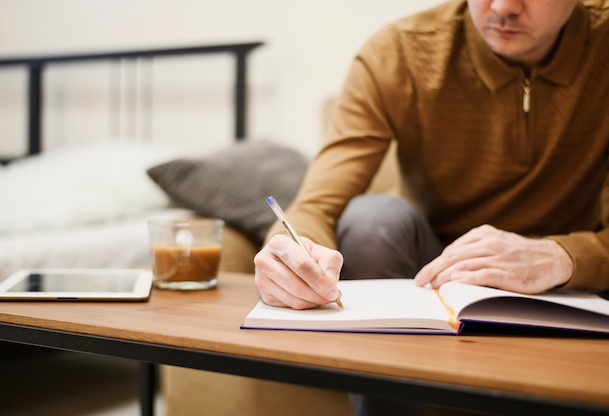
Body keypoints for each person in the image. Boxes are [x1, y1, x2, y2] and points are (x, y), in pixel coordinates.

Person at [254, 0, 608, 414]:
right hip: (432, 275)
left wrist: (562, 257)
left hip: (572, 285)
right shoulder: (400, 52)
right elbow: (317, 205)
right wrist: (290, 254)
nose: (503, 7)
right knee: (372, 221)